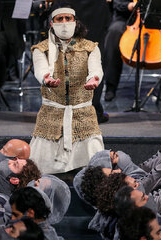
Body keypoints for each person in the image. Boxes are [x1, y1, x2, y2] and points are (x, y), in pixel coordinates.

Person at [30, 2, 104, 174]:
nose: (64, 22)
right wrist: (45, 78)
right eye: (59, 19)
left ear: (75, 21)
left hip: (83, 115)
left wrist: (94, 79)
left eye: (67, 18)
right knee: (40, 169)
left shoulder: (90, 47)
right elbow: (40, 68)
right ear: (52, 23)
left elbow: (96, 68)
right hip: (51, 115)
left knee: (94, 170)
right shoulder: (41, 49)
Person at [102, 0, 136, 101]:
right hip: (125, 18)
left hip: (151, 19)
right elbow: (117, 3)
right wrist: (129, 5)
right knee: (114, 31)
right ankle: (111, 86)